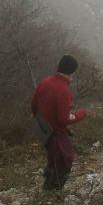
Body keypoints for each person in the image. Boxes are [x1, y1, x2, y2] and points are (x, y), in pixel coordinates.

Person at [30, 55, 87, 191]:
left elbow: (33, 105)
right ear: (73, 71)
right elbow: (64, 118)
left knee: (53, 158)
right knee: (65, 160)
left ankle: (48, 186)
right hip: (56, 132)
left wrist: (42, 121)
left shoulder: (45, 82)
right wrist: (82, 114)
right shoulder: (63, 90)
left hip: (43, 130)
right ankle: (52, 192)